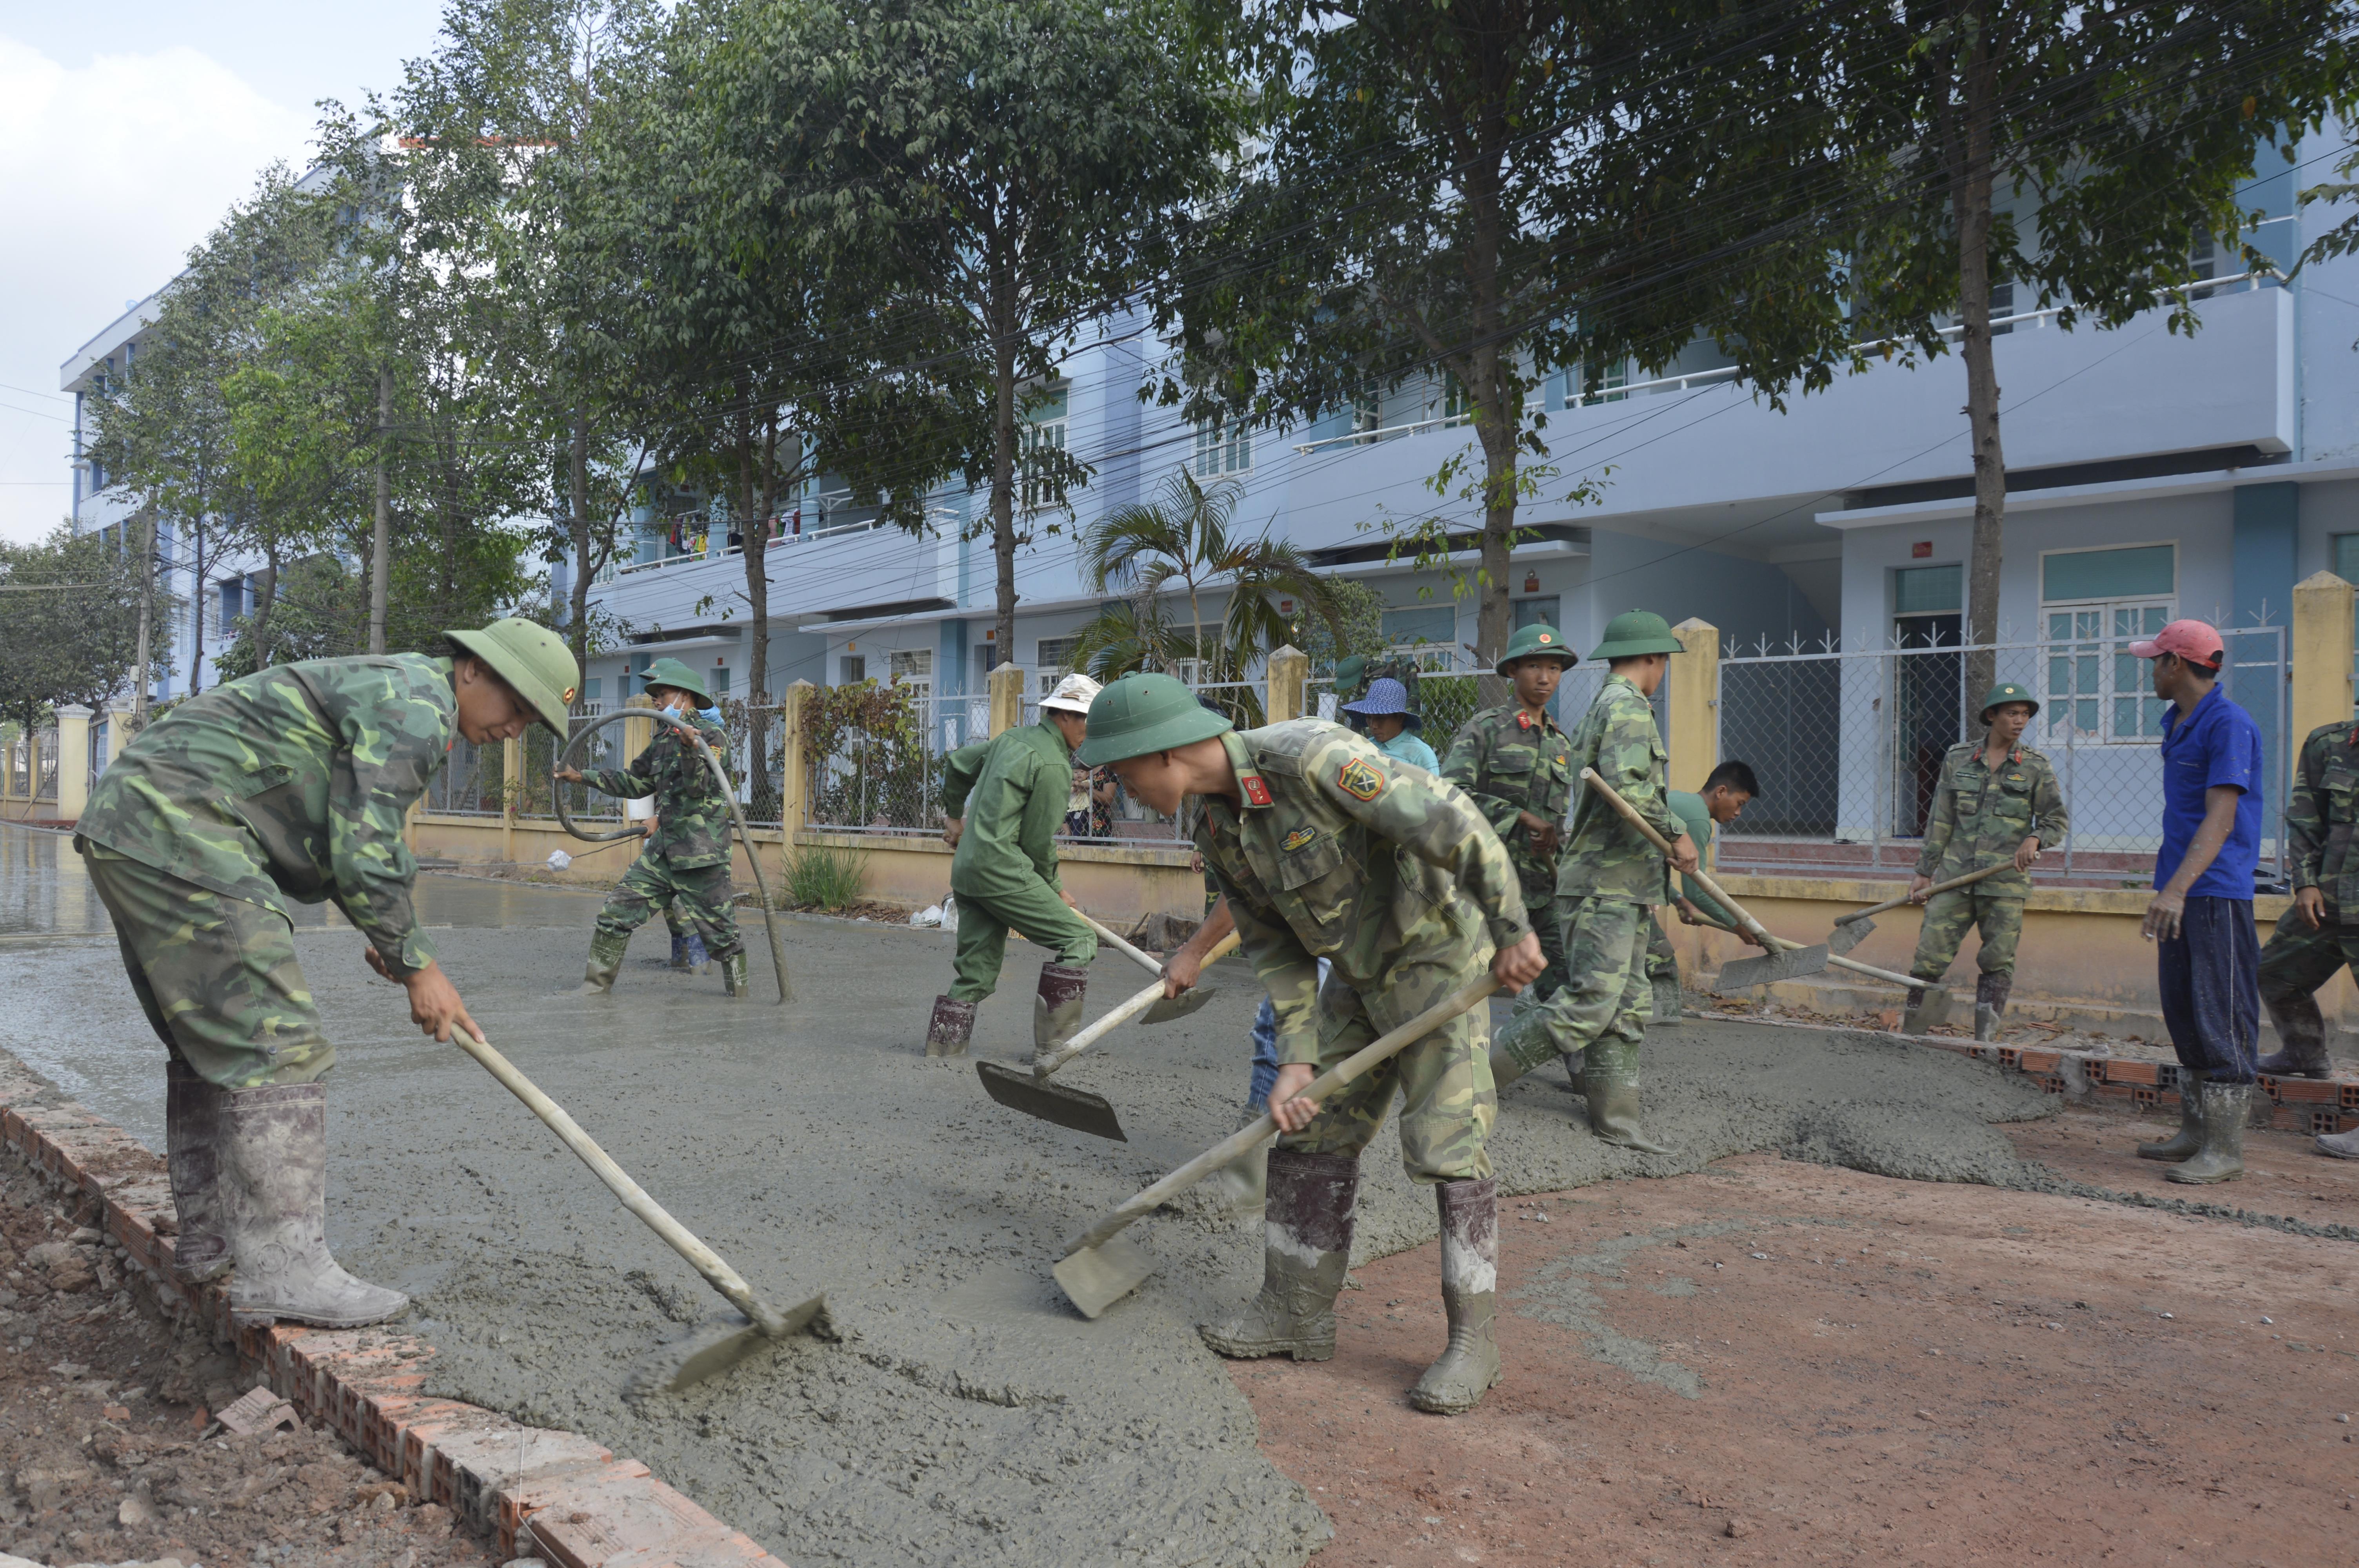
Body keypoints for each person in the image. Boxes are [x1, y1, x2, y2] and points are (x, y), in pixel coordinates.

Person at [75, 617, 578, 1328]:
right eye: (518, 709)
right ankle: (286, 1273)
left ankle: (211, 1241)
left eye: (532, 721)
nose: (515, 731)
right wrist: (417, 966)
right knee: (276, 1041)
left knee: (211, 1043)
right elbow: (367, 847)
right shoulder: (419, 705)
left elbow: (340, 832)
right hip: (183, 829)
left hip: (134, 825)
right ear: (472, 671)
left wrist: (394, 940)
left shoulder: (395, 687)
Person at [1079, 672, 1546, 1414]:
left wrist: (1512, 928)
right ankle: (1295, 1311)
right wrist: (1295, 1062)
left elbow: (1452, 822)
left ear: (1162, 752)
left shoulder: (1311, 759)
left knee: (1447, 1144)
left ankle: (1473, 1342)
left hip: (1435, 959)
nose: (1120, 787)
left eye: (1121, 771)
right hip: (1355, 982)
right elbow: (1276, 949)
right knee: (1308, 1129)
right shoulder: (1213, 824)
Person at [1489, 610, 1697, 1155]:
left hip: (1624, 884)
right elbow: (1632, 788)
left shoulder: (1608, 707)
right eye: (1665, 663)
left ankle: (1617, 1120)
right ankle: (1471, 1081)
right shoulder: (1627, 708)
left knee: (1626, 1005)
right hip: (1605, 885)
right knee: (1591, 1001)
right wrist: (1677, 834)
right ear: (1655, 660)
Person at [2131, 621, 2265, 1184]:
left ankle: (2225, 1148)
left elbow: (2222, 815)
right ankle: (2196, 1131)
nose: (2151, 672)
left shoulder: (2228, 724)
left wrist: (2178, 889)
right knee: (2184, 1010)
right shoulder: (2178, 721)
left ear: (2176, 666)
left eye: (2156, 661)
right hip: (2180, 888)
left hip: (2213, 891)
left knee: (2222, 1015)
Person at [924, 673, 1103, 1059]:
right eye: (1087, 719)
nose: (1089, 731)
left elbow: (957, 765)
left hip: (968, 870)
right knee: (1079, 940)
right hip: (1001, 870)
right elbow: (1036, 845)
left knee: (976, 974)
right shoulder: (1054, 765)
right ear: (1064, 716)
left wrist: (955, 820)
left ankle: (942, 1052)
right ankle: (1052, 1051)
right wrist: (1056, 889)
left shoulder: (1010, 740)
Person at [555, 658, 749, 998]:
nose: (656, 701)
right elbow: (634, 782)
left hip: (702, 858)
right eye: (655, 696)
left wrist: (691, 750)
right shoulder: (663, 738)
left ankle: (742, 999)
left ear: (684, 696)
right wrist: (579, 776)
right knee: (616, 912)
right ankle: (593, 989)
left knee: (724, 940)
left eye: (661, 694)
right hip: (663, 854)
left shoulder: (712, 737)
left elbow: (698, 787)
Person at [1900, 684, 2070, 1040]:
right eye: (2012, 713)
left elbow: (2056, 819)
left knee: (1997, 963)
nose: (2020, 721)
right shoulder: (1959, 759)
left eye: (2025, 714)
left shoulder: (2036, 766)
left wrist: (2035, 838)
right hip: (1954, 879)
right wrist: (1924, 873)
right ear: (1992, 716)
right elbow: (1941, 819)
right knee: (1929, 958)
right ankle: (1914, 1037)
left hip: (2005, 884)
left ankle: (1985, 1043)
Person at [1441, 623, 1579, 1000]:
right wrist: (1518, 817)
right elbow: (1451, 795)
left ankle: (1574, 1060)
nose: (1545, 677)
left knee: (1566, 985)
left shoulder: (1561, 744)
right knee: (1466, 986)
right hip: (1485, 887)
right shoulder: (1486, 730)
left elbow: (1561, 822)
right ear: (1513, 671)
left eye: (1554, 668)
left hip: (1543, 890)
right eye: (1535, 666)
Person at [2255, 715, 2359, 1158]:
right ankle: (2304, 1053)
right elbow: (2304, 819)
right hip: (2328, 900)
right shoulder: (2329, 743)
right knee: (2274, 974)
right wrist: (2304, 882)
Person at [1648, 761, 1766, 1022]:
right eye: (1740, 803)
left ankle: (1658, 1021)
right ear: (1721, 792)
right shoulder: (1698, 819)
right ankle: (1657, 1024)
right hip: (1619, 890)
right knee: (1656, 961)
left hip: (1627, 883)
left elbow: (1652, 866)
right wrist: (1737, 925)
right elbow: (1698, 892)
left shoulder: (1681, 800)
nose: (1738, 813)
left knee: (1657, 960)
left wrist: (1678, 900)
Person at [1339, 677, 1439, 771]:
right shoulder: (1366, 746)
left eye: (1380, 719)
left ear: (1400, 718)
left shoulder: (1421, 754)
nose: (1373, 726)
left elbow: (1433, 789)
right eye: (1369, 718)